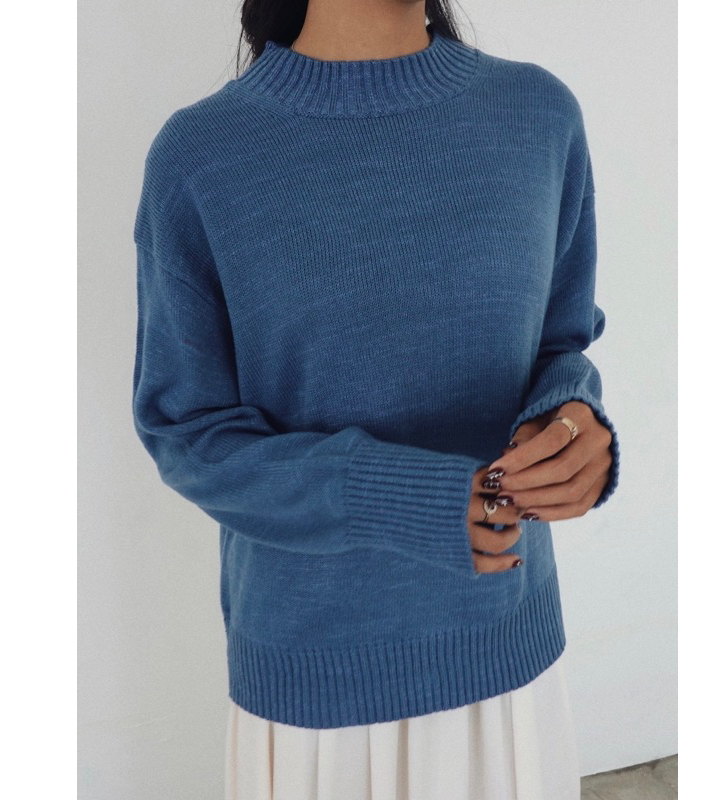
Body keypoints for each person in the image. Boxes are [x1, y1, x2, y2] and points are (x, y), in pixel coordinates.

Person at [131, 1, 620, 797]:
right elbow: (188, 432)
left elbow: (561, 343)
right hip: (317, 687)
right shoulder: (202, 155)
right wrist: (395, 498)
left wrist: (572, 420)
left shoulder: (538, 113)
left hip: (508, 653)